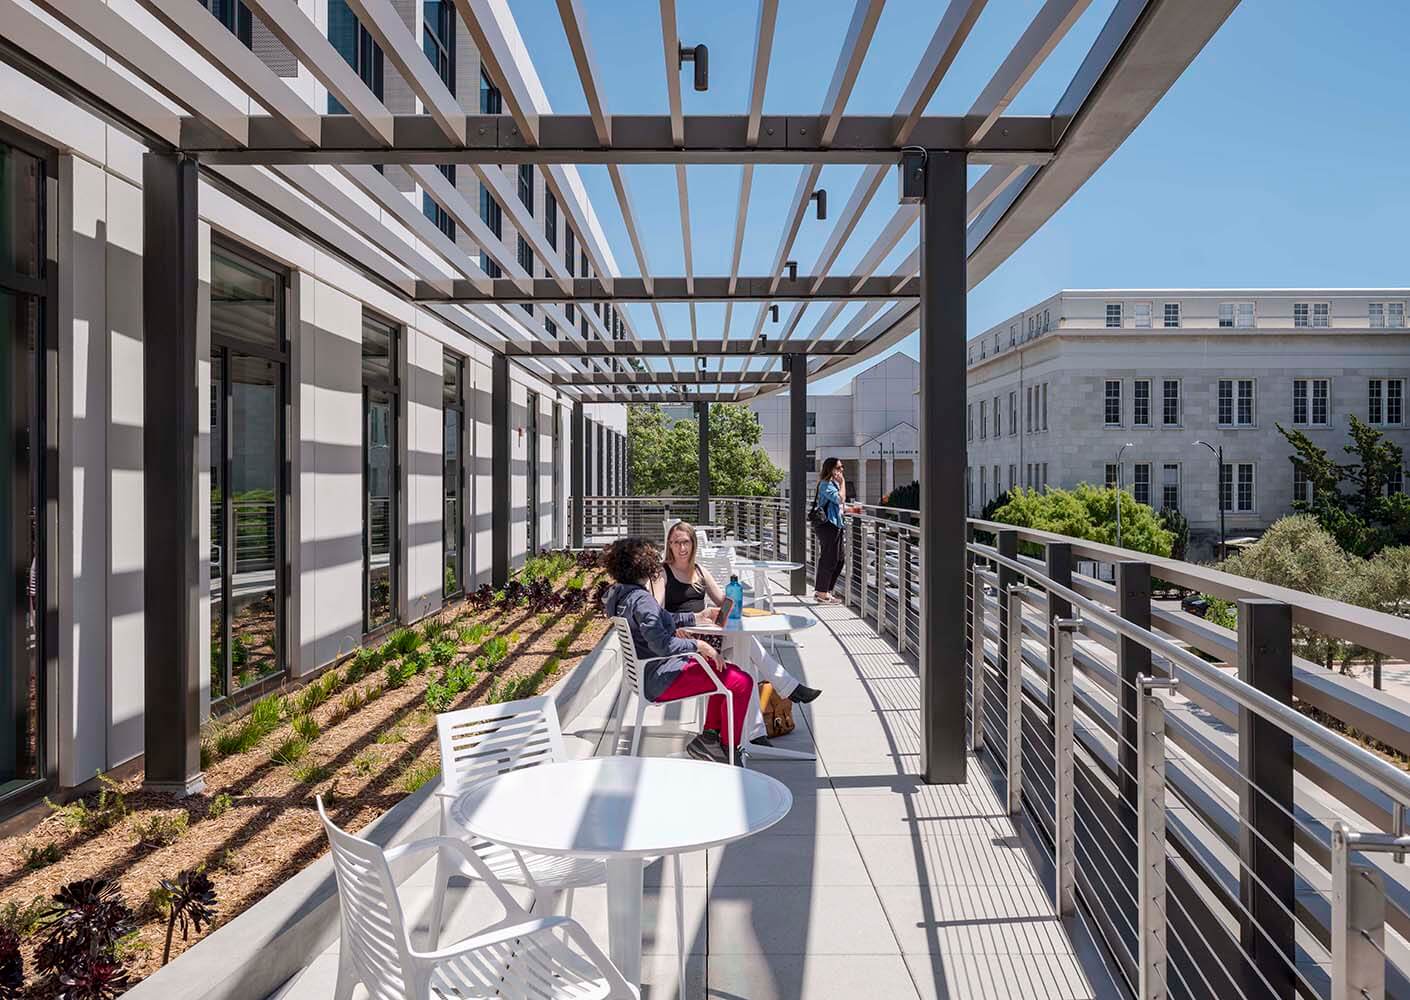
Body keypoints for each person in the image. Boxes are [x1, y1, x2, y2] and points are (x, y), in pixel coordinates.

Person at [601, 537, 754, 764]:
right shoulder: (642, 600)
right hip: (661, 679)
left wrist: (696, 617)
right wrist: (699, 646)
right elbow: (661, 644)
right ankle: (730, 751)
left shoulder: (620, 595)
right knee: (742, 682)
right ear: (644, 565)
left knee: (724, 671)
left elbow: (660, 620)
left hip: (645, 674)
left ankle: (710, 739)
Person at [652, 520, 821, 708]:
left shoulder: (699, 571)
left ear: (693, 543)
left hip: (708, 632)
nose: (681, 547)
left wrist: (735, 600)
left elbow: (722, 601)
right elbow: (656, 611)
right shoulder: (662, 572)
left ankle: (758, 724)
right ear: (669, 545)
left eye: (686, 542)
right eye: (676, 542)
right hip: (686, 639)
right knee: (746, 644)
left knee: (746, 641)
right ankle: (786, 691)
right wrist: (675, 627)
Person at [811, 457, 859, 603]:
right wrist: (843, 482)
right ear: (830, 469)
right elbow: (840, 499)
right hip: (827, 526)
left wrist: (853, 510)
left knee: (839, 559)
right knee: (828, 559)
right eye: (838, 468)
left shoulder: (832, 484)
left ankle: (826, 591)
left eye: (842, 467)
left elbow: (838, 507)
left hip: (835, 524)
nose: (841, 470)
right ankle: (821, 593)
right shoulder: (825, 484)